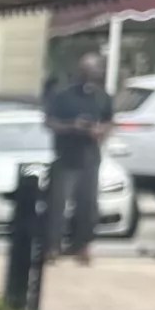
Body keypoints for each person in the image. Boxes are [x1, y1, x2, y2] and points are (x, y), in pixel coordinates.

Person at [40, 49, 115, 266]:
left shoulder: (103, 97)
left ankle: (82, 247)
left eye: (94, 70)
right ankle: (52, 248)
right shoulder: (63, 96)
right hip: (65, 157)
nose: (91, 74)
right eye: (87, 70)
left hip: (90, 158)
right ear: (79, 71)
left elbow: (110, 121)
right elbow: (49, 122)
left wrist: (101, 131)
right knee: (57, 205)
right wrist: (72, 126)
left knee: (88, 205)